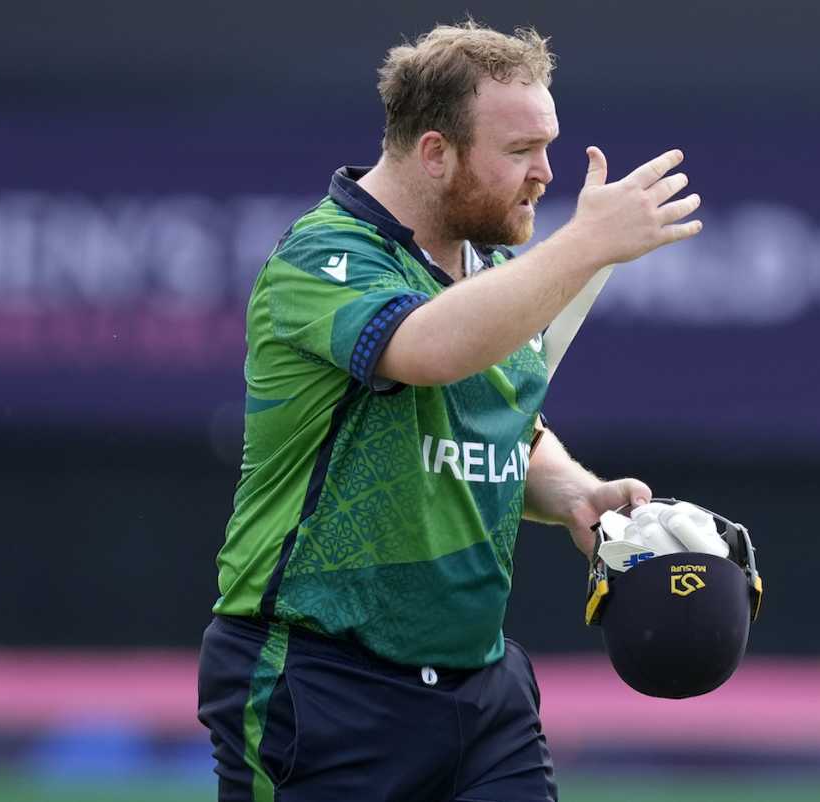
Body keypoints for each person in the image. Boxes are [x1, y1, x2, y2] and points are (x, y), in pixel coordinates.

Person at [197, 20, 702, 802]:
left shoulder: (493, 268)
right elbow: (429, 348)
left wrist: (574, 493)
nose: (544, 173)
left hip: (479, 688)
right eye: (519, 152)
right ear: (434, 153)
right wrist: (585, 244)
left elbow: (503, 422)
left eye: (549, 146)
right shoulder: (321, 256)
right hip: (320, 681)